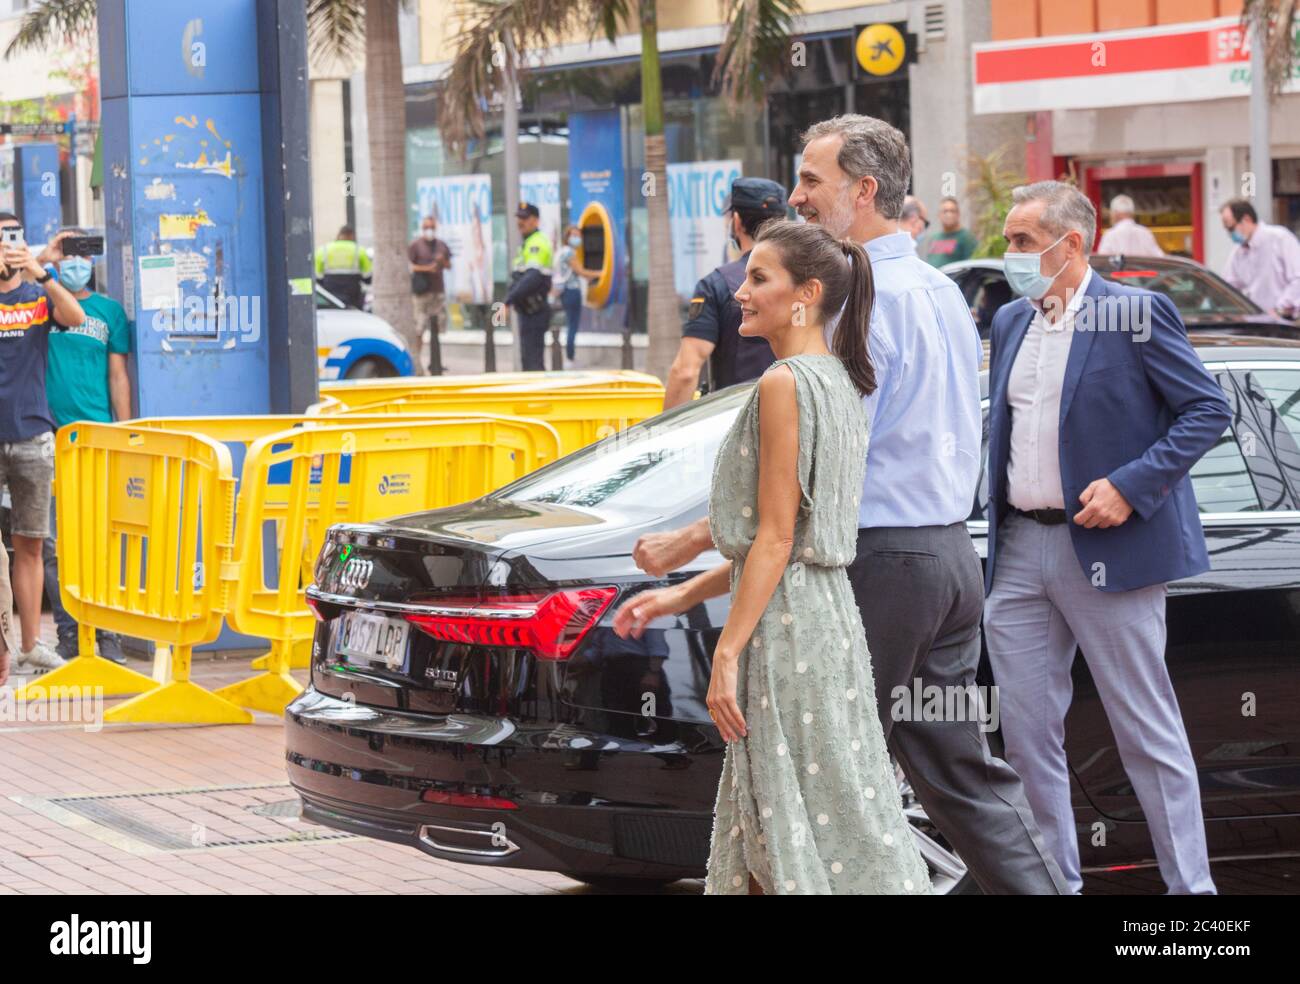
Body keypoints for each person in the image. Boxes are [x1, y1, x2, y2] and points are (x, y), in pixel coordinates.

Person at [626, 115, 1068, 894]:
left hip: (877, 569)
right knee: (955, 768)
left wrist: (690, 549)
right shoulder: (940, 292)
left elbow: (809, 483)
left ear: (863, 192)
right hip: (949, 561)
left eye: (812, 182)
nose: (797, 197)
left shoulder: (848, 304)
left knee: (825, 784)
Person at [614, 218, 933, 895]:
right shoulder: (843, 381)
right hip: (828, 624)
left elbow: (778, 538)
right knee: (805, 827)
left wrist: (725, 653)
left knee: (784, 833)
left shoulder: (784, 384)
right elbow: (788, 541)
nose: (741, 294)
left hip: (787, 636)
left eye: (759, 278)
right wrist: (679, 594)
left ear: (805, 294)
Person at [984, 181, 1229, 895]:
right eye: (1009, 241)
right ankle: (1054, 887)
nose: (1011, 256)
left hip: (1108, 555)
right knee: (1027, 740)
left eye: (1024, 242)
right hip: (1019, 553)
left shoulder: (1135, 313)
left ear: (1072, 245)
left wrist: (1130, 485)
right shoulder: (1008, 322)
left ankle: (1192, 896)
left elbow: (1206, 410)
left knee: (1146, 736)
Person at [0, 212, 87, 673]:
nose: (6, 245)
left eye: (13, 237)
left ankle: (32, 644)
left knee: (31, 543)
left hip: (33, 434)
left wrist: (43, 272)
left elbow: (75, 316)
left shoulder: (38, 293)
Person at [40, 232, 131, 664]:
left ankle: (108, 636)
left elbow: (117, 375)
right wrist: (45, 259)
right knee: (54, 544)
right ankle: (69, 635)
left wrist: (127, 431)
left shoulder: (110, 311)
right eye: (67, 253)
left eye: (82, 254)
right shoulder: (41, 302)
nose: (75, 262)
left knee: (100, 540)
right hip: (50, 438)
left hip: (97, 438)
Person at [664, 177, 787, 409]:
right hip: (794, 415)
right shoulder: (808, 278)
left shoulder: (716, 284)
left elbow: (686, 372)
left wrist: (660, 436)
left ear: (737, 221)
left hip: (732, 419)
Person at [1220, 199, 1300, 319]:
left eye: (1231, 228)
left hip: (1285, 320)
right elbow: (1228, 285)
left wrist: (1280, 308)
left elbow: (1297, 278)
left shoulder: (1279, 238)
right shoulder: (1238, 252)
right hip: (1256, 322)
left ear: (1246, 219)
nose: (1230, 234)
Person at [504, 202, 554, 371]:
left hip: (535, 310)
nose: (520, 222)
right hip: (527, 311)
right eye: (519, 218)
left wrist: (508, 300)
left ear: (535, 221)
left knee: (533, 362)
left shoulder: (536, 243)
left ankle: (540, 397)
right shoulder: (526, 243)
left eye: (525, 218)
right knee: (528, 359)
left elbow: (532, 278)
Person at [407, 215, 452, 374]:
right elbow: (410, 266)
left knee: (437, 327)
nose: (429, 230)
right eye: (426, 227)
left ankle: (436, 361)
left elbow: (449, 265)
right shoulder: (415, 245)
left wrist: (441, 261)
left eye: (431, 227)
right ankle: (416, 363)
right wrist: (427, 268)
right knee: (419, 328)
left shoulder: (441, 245)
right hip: (421, 293)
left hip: (437, 291)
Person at [552, 224, 596, 366]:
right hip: (571, 292)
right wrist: (602, 273)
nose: (577, 239)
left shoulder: (561, 252)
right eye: (574, 236)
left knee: (571, 324)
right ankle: (570, 358)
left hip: (565, 292)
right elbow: (581, 271)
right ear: (567, 237)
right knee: (573, 325)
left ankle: (570, 357)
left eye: (579, 236)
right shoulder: (569, 253)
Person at [314, 224, 371, 310]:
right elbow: (367, 277)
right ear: (352, 236)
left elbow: (317, 276)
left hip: (330, 290)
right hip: (352, 291)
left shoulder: (324, 249)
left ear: (339, 235)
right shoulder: (359, 250)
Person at [1097, 194, 1163, 257]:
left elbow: (1102, 261)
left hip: (1119, 269)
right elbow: (1160, 258)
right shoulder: (1145, 232)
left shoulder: (1110, 234)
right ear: (1132, 213)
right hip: (1144, 268)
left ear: (1115, 214)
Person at [922, 196, 978, 268]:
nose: (949, 214)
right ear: (939, 215)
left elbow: (971, 267)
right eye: (945, 211)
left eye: (952, 211)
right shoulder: (934, 238)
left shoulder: (967, 238)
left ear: (958, 214)